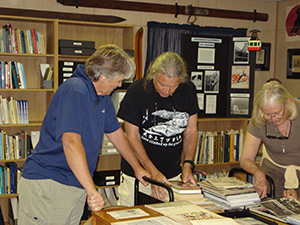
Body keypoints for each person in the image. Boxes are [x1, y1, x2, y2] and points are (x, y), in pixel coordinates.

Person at [18, 44, 150, 225]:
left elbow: (115, 132)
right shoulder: (76, 90)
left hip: (74, 183)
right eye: (119, 80)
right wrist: (91, 190)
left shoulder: (102, 97)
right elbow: (71, 142)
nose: (120, 85)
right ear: (103, 76)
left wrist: (137, 168)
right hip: (50, 184)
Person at [117, 52, 200, 206]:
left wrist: (188, 165)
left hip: (172, 176)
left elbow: (191, 131)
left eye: (173, 86)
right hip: (140, 175)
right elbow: (132, 136)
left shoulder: (188, 90)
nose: (167, 91)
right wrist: (153, 173)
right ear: (153, 75)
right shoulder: (137, 91)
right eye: (162, 84)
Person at [240, 81, 300, 199]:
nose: (274, 119)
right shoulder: (259, 119)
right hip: (273, 174)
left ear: (288, 103)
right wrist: (258, 173)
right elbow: (245, 159)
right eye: (268, 115)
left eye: (278, 114)